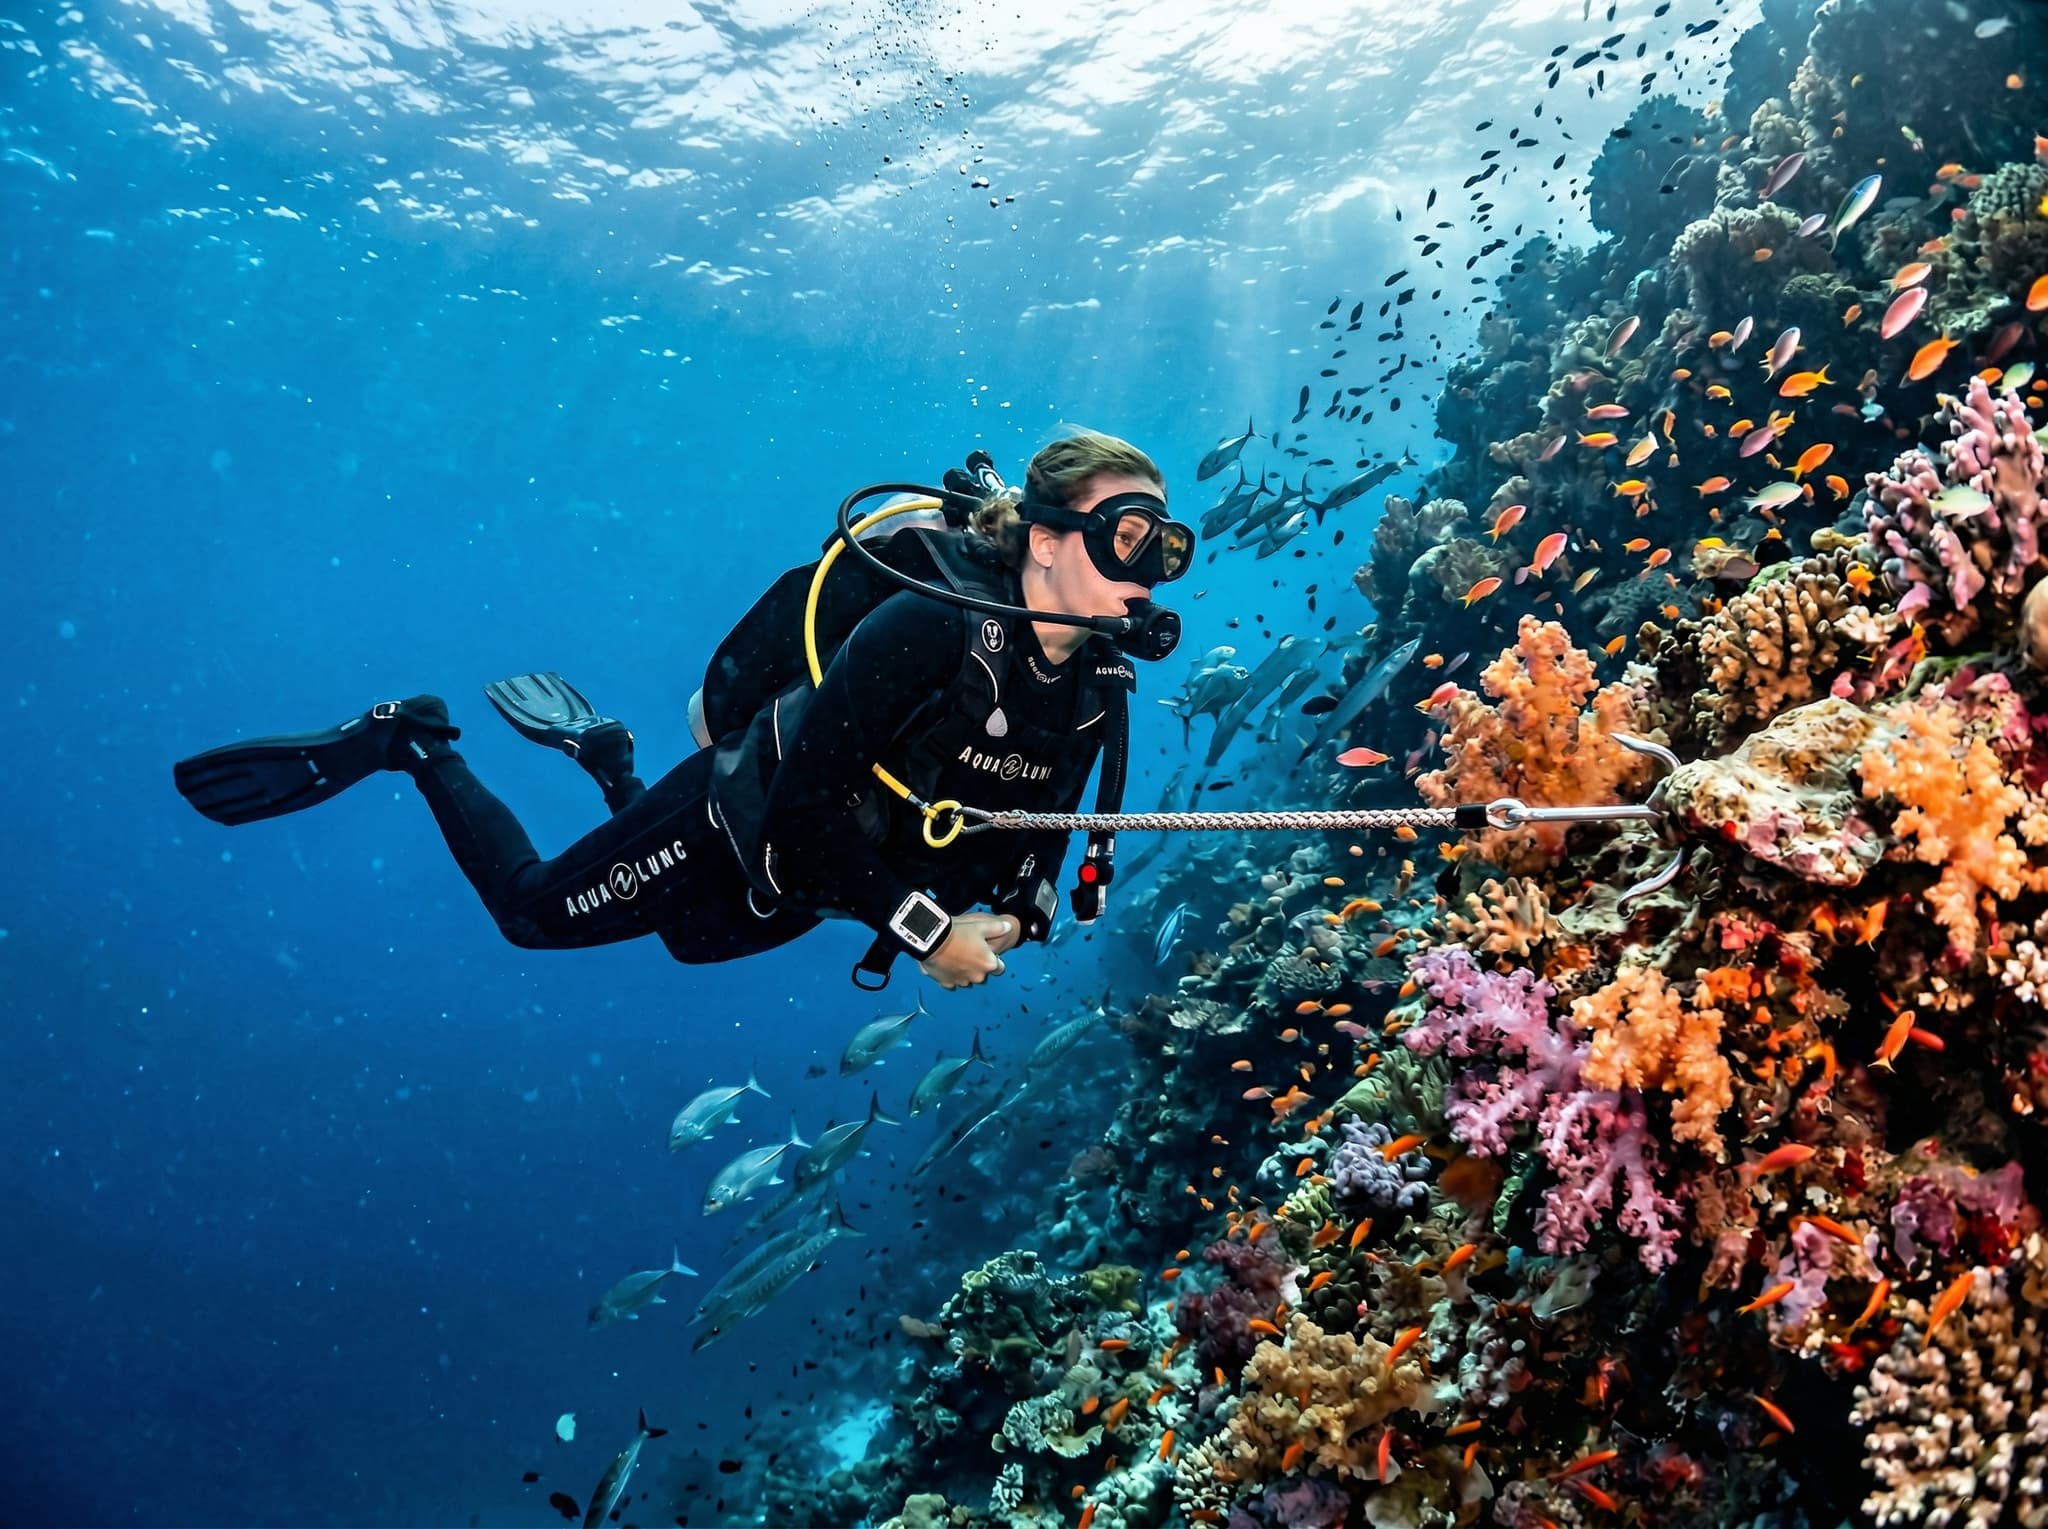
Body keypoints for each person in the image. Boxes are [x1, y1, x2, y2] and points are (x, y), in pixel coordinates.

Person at [173, 433, 1193, 991]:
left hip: (819, 884)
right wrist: (925, 930)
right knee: (529, 916)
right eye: (1126, 536)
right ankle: (415, 739)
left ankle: (614, 764)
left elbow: (1044, 860)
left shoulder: (1098, 694)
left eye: (1165, 549)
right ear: (1048, 540)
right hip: (738, 820)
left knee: (688, 946)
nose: (1147, 570)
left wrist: (1010, 920)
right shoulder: (925, 627)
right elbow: (801, 814)